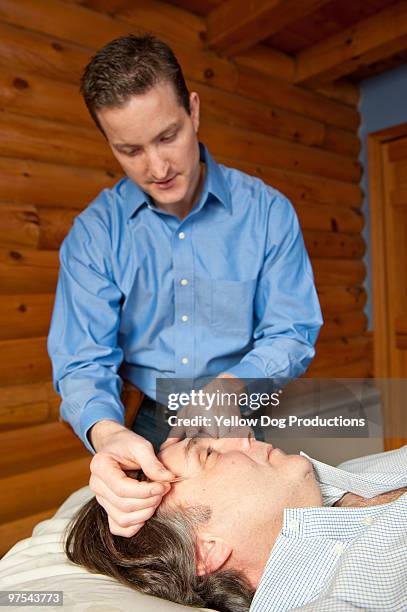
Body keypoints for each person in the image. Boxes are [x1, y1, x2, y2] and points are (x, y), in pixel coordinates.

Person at [47, 34, 323, 539]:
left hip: (248, 408)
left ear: (193, 111)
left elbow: (292, 330)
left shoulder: (267, 212)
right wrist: (106, 433)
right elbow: (82, 360)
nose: (157, 167)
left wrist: (230, 388)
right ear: (108, 142)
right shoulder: (95, 235)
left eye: (167, 136)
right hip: (152, 424)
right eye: (129, 150)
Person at [65, 437, 407, 611]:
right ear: (205, 552)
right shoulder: (360, 598)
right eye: (208, 455)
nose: (241, 434)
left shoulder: (334, 479)